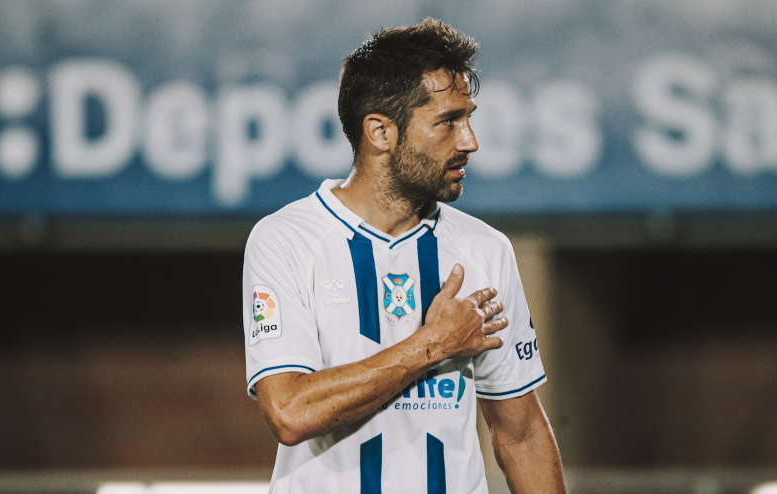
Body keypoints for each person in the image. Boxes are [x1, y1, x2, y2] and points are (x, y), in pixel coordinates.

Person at [242, 18, 567, 494]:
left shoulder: (485, 250)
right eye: (448, 121)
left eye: (468, 117)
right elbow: (291, 412)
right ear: (380, 132)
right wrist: (433, 345)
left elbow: (520, 435)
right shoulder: (284, 241)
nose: (469, 141)